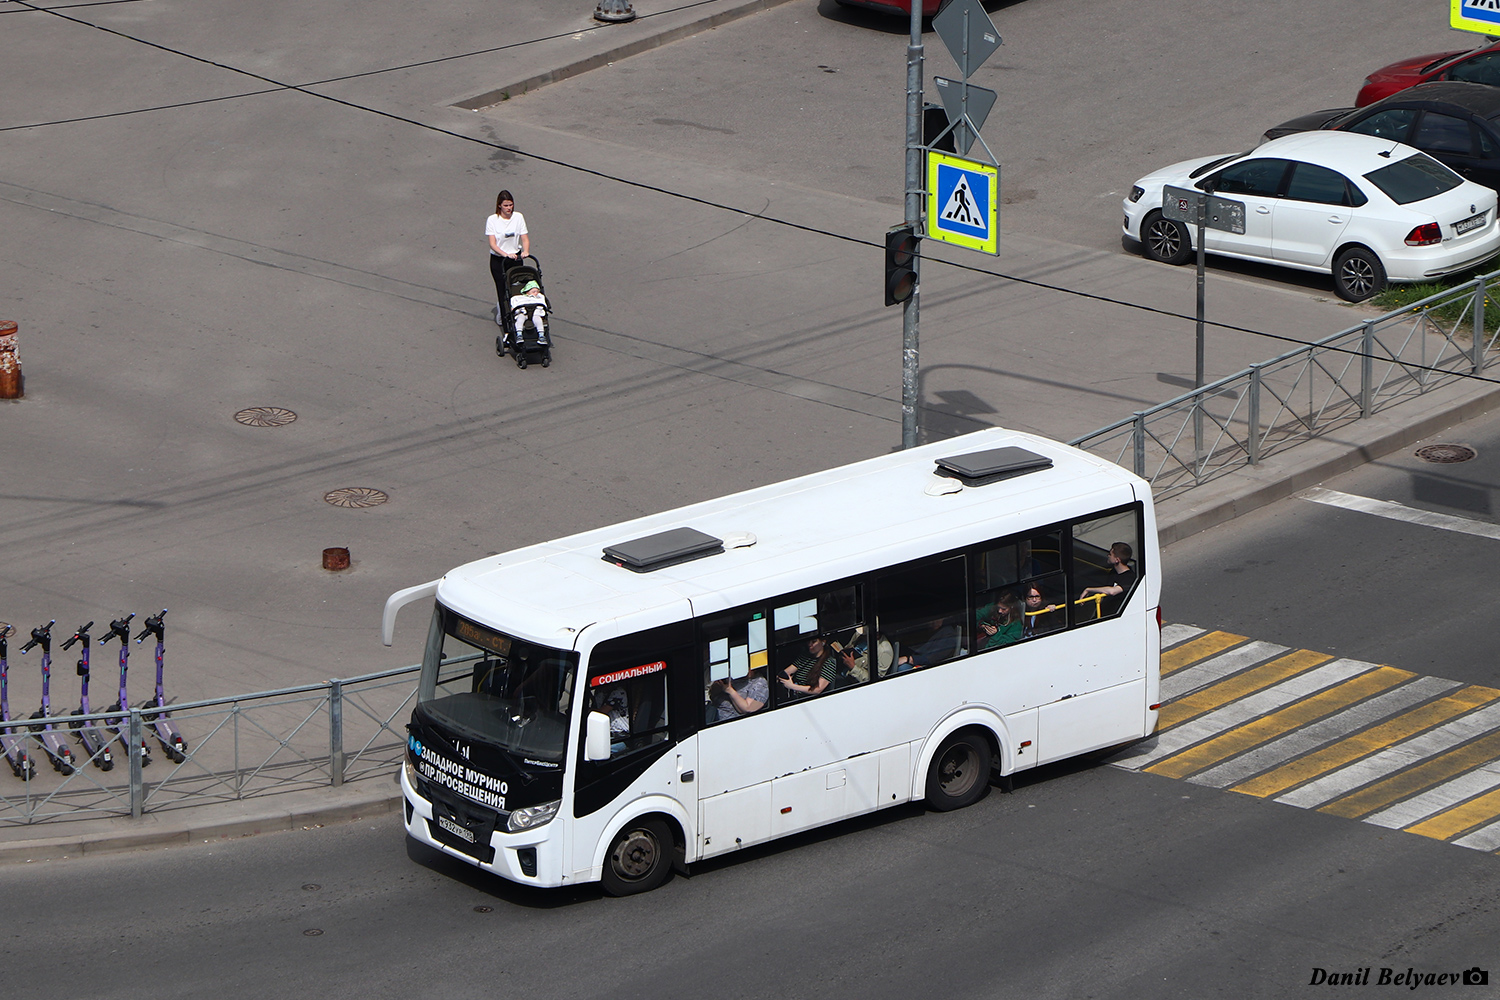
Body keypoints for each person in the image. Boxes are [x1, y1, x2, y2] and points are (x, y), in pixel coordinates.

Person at [485, 190, 530, 326]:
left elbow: (525, 238)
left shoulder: (518, 217)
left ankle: (517, 316)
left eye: (511, 205)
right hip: (499, 260)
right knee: (502, 288)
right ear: (499, 206)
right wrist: (505, 254)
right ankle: (504, 318)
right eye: (506, 205)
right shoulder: (493, 220)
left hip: (515, 258)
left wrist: (525, 251)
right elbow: (493, 244)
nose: (509, 208)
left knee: (517, 288)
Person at [1080, 542, 1137, 617]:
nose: (1108, 556)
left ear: (1117, 560)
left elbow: (1112, 591)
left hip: (1116, 616)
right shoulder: (1113, 572)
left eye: (1110, 554)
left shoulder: (1130, 577)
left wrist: (1089, 589)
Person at [895, 616, 962, 671]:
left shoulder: (948, 635)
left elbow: (932, 658)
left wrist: (908, 659)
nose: (934, 621)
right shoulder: (927, 630)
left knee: (902, 668)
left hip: (932, 668)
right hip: (918, 660)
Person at [508, 279, 548, 344]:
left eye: (537, 291)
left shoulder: (538, 298)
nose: (536, 293)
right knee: (520, 318)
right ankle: (519, 334)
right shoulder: (520, 298)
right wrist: (515, 308)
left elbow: (543, 303)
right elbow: (514, 302)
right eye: (534, 291)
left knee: (538, 320)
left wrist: (539, 295)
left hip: (535, 313)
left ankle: (541, 335)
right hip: (523, 312)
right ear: (527, 292)